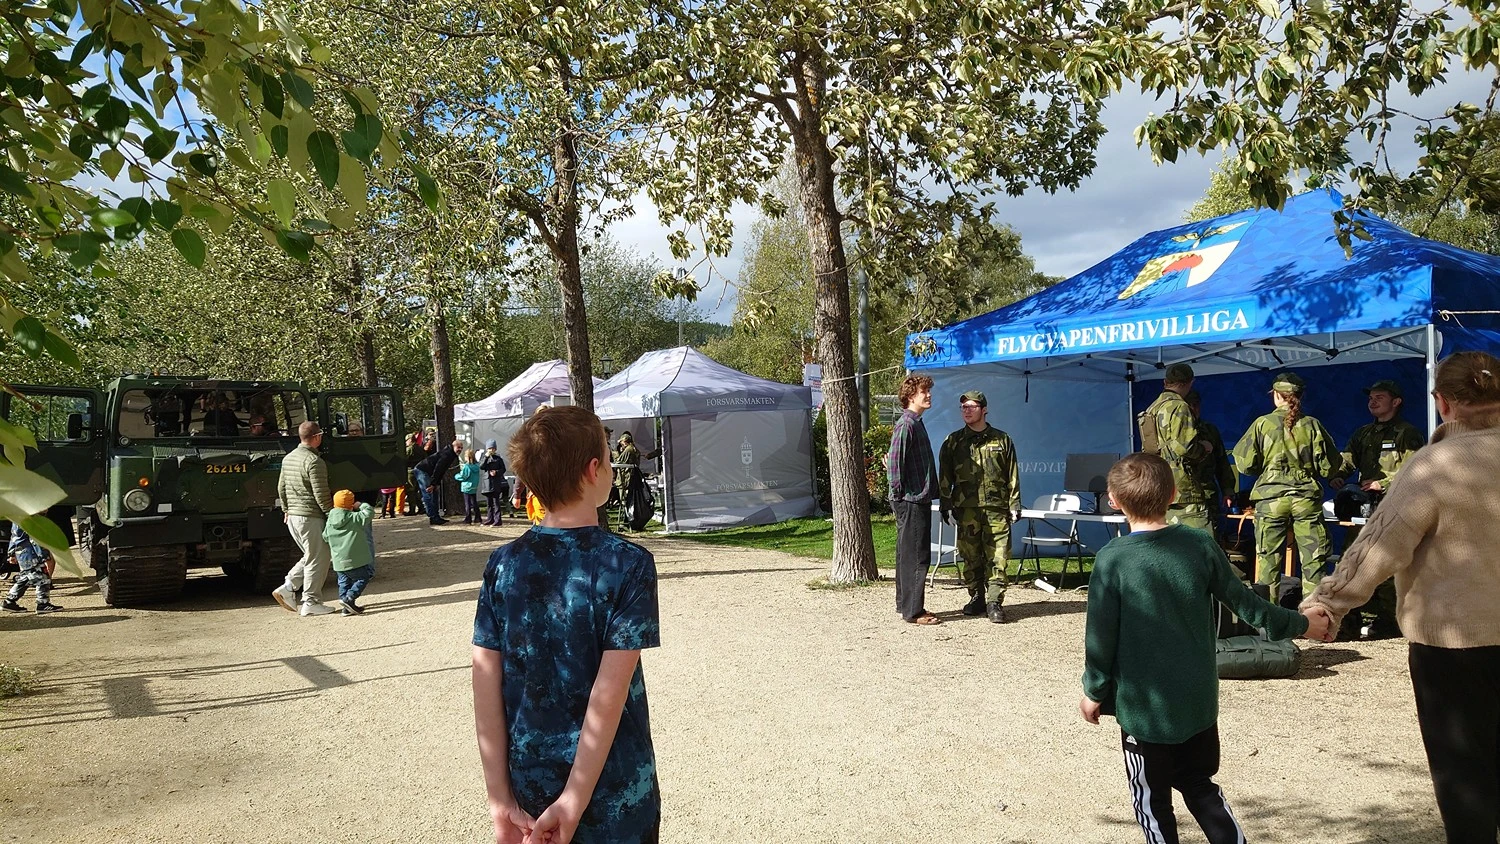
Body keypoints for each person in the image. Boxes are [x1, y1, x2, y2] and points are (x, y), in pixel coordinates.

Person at [1080, 453, 1330, 844]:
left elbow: (1100, 636)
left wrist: (1094, 690)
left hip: (1145, 712)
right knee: (1199, 785)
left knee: (1152, 801)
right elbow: (1247, 604)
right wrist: (1302, 624)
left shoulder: (1111, 559)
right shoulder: (1199, 544)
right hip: (1197, 702)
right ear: (1174, 495)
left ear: (1113, 500)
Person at [1301, 351, 1500, 844]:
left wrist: (1328, 603)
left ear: (1443, 403)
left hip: (1453, 649)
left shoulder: (1435, 465)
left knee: (1464, 777)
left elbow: (1380, 544)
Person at [473, 405, 661, 843]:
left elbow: (484, 678)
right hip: (616, 788)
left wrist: (499, 797)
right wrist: (573, 800)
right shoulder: (628, 564)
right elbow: (608, 693)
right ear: (594, 470)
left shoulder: (503, 564)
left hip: (529, 785)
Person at [1231, 372, 1342, 606]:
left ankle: (1269, 619)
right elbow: (1330, 466)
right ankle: (1313, 615)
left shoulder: (1262, 424)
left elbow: (1245, 465)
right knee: (1314, 561)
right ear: (1300, 396)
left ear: (1276, 396)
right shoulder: (1312, 425)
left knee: (1268, 562)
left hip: (1271, 500)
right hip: (1305, 500)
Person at [1329, 378, 1426, 640]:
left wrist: (1383, 483)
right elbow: (1348, 459)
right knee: (1351, 561)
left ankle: (1389, 623)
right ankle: (1350, 621)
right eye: (1370, 398)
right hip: (1363, 510)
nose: (1372, 402)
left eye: (1379, 397)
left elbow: (1416, 469)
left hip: (1392, 508)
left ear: (1396, 402)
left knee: (1387, 564)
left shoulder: (1407, 433)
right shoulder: (1363, 433)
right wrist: (1338, 475)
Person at [938, 390, 1020, 624]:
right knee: (970, 556)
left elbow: (1012, 474)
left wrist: (1014, 503)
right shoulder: (953, 441)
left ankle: (994, 602)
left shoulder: (1002, 439)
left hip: (996, 508)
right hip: (967, 510)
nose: (967, 411)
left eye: (972, 407)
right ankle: (976, 597)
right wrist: (945, 503)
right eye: (963, 407)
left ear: (984, 410)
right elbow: (945, 476)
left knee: (998, 556)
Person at [887, 374, 941, 626]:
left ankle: (905, 605)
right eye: (923, 391)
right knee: (917, 557)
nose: (928, 395)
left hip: (915, 499)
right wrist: (899, 498)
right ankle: (914, 611)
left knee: (907, 556)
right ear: (910, 396)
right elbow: (895, 464)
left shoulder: (915, 423)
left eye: (929, 391)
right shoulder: (907, 425)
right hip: (911, 501)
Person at [271, 421, 336, 616]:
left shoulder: (288, 458)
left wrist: (286, 509)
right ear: (317, 437)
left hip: (293, 516)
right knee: (319, 558)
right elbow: (321, 494)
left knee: (312, 555)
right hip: (310, 517)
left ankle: (289, 586)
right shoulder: (315, 462)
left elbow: (281, 488)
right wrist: (332, 516)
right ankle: (311, 601)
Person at [1141, 363, 1214, 532]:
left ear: (1165, 382)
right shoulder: (1180, 406)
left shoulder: (1152, 408)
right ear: (1190, 382)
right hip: (1183, 489)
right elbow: (1185, 447)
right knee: (1201, 540)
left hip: (1159, 482)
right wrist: (1204, 448)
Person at [1184, 388, 1237, 529]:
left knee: (1211, 535)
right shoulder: (1173, 432)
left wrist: (1227, 490)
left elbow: (1222, 462)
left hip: (1207, 495)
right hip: (1180, 497)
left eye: (1196, 404)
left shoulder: (1209, 430)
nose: (1193, 409)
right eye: (1189, 405)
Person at [323, 489, 375, 616]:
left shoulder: (330, 520)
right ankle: (349, 598)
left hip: (338, 560)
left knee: (343, 582)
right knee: (363, 577)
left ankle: (346, 608)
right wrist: (361, 505)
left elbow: (325, 536)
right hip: (354, 559)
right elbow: (369, 513)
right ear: (351, 505)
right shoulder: (354, 518)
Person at [2, 525, 61, 614]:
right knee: (43, 577)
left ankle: (9, 601)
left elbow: (14, 536)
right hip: (32, 554)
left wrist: (11, 553)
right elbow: (35, 538)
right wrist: (44, 554)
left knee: (25, 578)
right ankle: (43, 603)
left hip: (21, 554)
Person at [414, 437, 463, 525]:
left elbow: (442, 470)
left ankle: (436, 516)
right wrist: (433, 484)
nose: (460, 450)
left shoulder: (451, 455)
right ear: (453, 446)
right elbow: (438, 469)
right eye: (458, 447)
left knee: (435, 494)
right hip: (422, 470)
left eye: (461, 448)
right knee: (428, 493)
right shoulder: (447, 454)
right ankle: (433, 517)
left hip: (429, 472)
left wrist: (436, 483)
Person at [479, 439, 508, 526]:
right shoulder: (484, 458)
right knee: (489, 503)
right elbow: (481, 466)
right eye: (489, 448)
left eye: (493, 448)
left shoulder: (498, 459)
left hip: (496, 483)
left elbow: (503, 469)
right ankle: (489, 519)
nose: (491, 450)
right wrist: (486, 457)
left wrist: (496, 472)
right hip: (487, 483)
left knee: (496, 502)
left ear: (495, 449)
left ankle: (498, 520)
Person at [456, 448, 481, 525]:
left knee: (467, 503)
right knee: (474, 502)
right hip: (474, 486)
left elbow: (464, 476)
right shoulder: (477, 466)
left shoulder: (467, 466)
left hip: (466, 486)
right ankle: (478, 517)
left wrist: (456, 476)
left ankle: (468, 518)